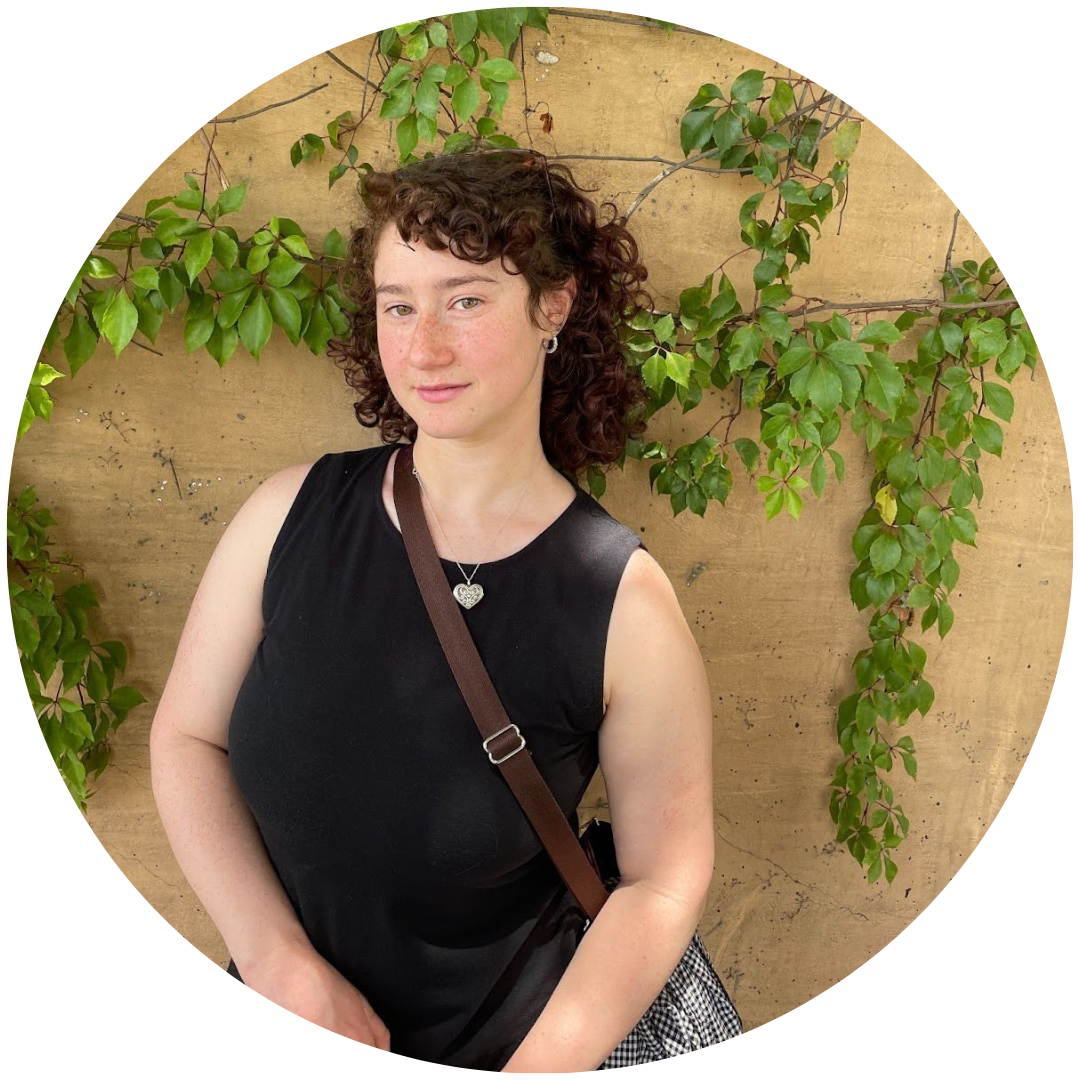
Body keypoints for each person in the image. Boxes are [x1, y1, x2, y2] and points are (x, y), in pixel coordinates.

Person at [150, 149, 719, 1071]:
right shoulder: (286, 516)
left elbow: (661, 881)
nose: (424, 347)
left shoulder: (623, 602)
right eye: (397, 304)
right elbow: (185, 738)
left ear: (553, 306)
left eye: (464, 299)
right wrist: (273, 958)